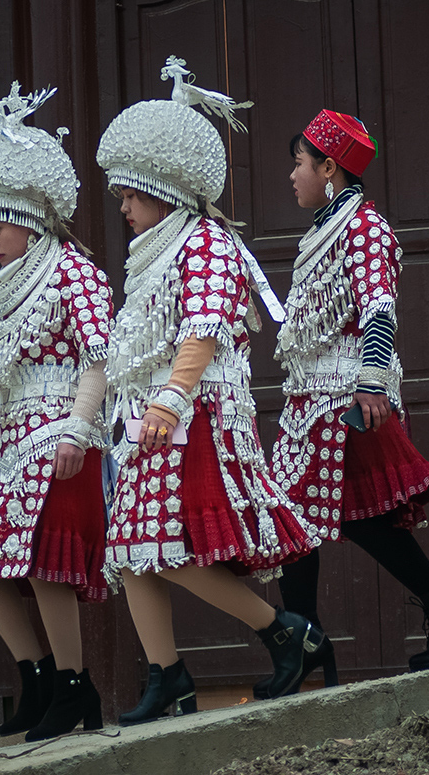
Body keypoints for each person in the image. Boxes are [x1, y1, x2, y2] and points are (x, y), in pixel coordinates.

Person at [96, 56, 325, 724]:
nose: (124, 209)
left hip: (195, 413)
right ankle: (169, 677)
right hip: (154, 417)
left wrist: (169, 398)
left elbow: (202, 327)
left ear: (162, 188)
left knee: (165, 546)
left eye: (130, 196)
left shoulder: (207, 244)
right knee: (134, 548)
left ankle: (286, 632)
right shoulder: (154, 253)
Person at [261, 110, 429, 693]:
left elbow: (379, 307)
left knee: (305, 520)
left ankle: (304, 642)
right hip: (313, 399)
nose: (292, 176)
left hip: (346, 400)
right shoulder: (326, 228)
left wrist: (371, 382)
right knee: (352, 521)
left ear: (329, 168)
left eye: (300, 164)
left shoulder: (363, 228)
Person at [0, 83, 112, 740]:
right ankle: (37, 676)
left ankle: (74, 685)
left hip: (64, 435)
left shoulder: (74, 274)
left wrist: (77, 425)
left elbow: (102, 357)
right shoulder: (12, 286)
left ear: (30, 217)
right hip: (12, 441)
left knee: (46, 566)